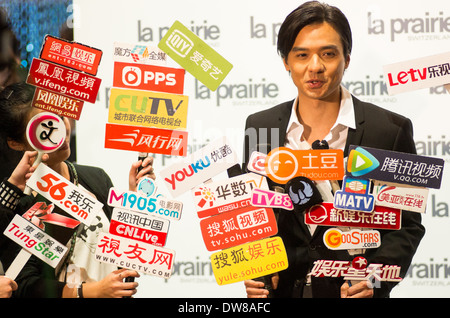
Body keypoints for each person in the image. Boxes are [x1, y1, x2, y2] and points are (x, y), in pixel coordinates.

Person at [242, 1, 425, 298]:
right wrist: (256, 269)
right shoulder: (261, 126)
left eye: (328, 53)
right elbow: (251, 215)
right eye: (301, 55)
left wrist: (376, 279)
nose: (315, 66)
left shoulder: (389, 130)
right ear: (286, 61)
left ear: (347, 58)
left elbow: (408, 225)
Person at [0, 82, 155, 298]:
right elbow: (23, 285)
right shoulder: (17, 202)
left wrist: (135, 201)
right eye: (44, 129)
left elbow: (120, 250)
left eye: (59, 119)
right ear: (16, 143)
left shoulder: (95, 178)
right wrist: (94, 291)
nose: (60, 134)